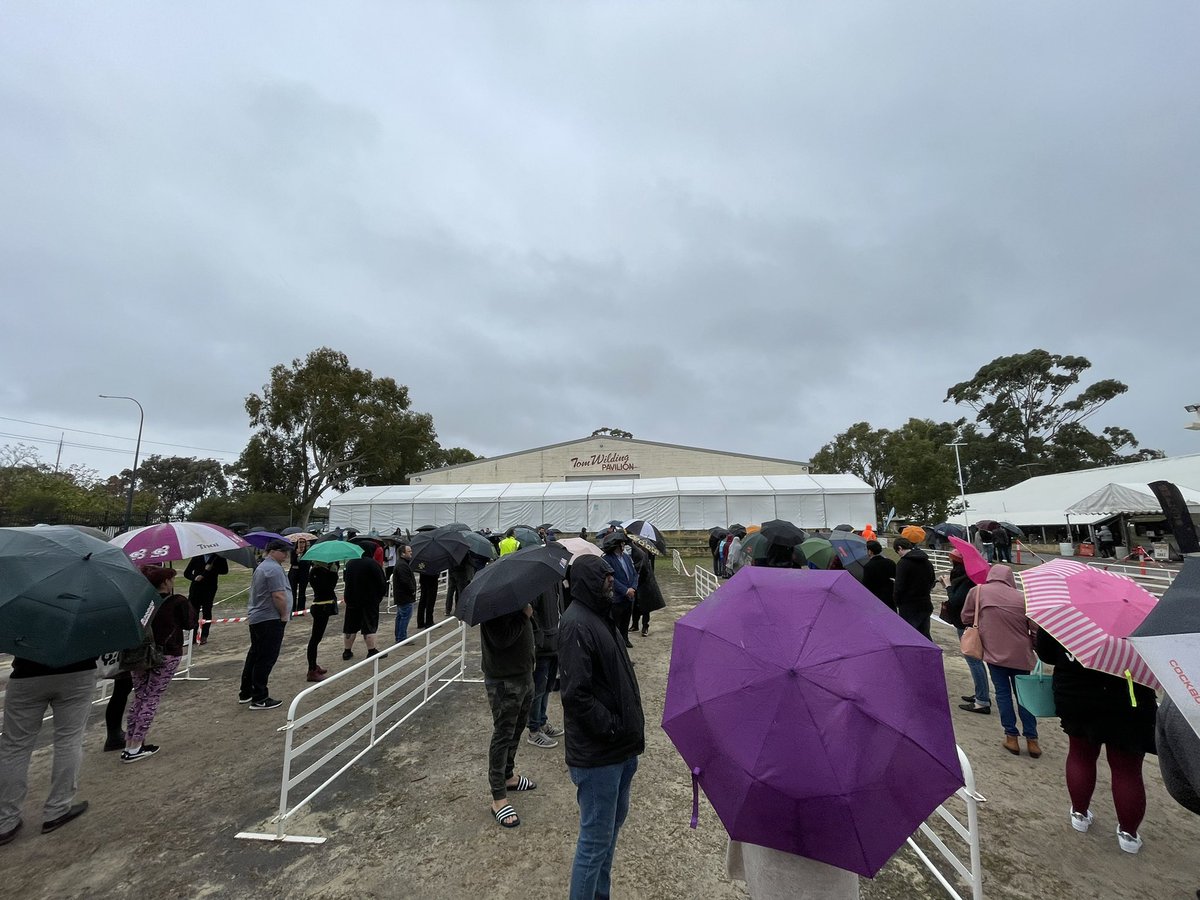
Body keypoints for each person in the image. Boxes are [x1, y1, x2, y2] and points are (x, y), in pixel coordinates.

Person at [559, 553, 645, 900]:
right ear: (586, 583)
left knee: (608, 837)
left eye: (612, 576)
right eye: (604, 577)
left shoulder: (601, 617)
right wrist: (611, 727)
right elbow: (575, 695)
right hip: (599, 757)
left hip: (620, 751)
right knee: (594, 843)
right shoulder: (577, 623)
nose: (611, 582)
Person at [1036, 629, 1156, 854]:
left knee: (1080, 754)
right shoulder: (1141, 616)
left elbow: (1046, 653)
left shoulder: (1069, 611)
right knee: (1127, 769)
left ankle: (1079, 814)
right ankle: (1128, 834)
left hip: (1075, 691)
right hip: (1127, 697)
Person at [0, 650, 96, 843]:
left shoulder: (23, 617)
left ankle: (5, 820)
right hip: (78, 671)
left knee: (14, 747)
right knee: (69, 741)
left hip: (27, 673)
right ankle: (57, 809)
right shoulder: (86, 617)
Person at [960, 564, 1038, 756]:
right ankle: (1032, 739)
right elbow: (1034, 628)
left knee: (1002, 694)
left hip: (995, 651)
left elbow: (966, 617)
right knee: (1024, 697)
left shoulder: (978, 592)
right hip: (1021, 653)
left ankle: (1011, 736)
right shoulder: (1023, 597)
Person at [122, 566, 196, 762]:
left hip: (141, 655)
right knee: (151, 698)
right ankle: (136, 746)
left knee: (139, 697)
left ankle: (131, 741)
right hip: (167, 653)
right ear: (165, 583)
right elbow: (190, 623)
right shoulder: (177, 601)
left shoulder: (140, 602)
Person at [481, 603, 537, 829]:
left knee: (517, 728)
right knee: (503, 734)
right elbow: (501, 640)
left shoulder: (517, 596)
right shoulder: (492, 603)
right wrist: (524, 616)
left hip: (524, 674)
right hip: (504, 680)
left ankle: (508, 775)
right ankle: (498, 797)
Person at [238, 539, 293, 710]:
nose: (286, 556)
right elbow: (278, 595)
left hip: (260, 618)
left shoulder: (263, 566)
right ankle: (260, 697)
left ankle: (246, 692)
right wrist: (284, 614)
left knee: (255, 655)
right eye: (284, 552)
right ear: (273, 551)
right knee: (266, 658)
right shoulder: (273, 569)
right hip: (270, 618)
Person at [938, 550, 991, 715]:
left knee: (974, 661)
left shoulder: (966, 580)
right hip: (967, 623)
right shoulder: (967, 578)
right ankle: (980, 694)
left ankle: (982, 701)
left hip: (966, 624)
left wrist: (947, 586)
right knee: (975, 661)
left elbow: (956, 601)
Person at [527, 583, 564, 749]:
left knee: (548, 686)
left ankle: (542, 721)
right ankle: (534, 730)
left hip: (555, 641)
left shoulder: (555, 580)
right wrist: (539, 637)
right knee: (539, 688)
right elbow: (530, 612)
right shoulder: (537, 582)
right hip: (543, 645)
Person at [341, 553, 387, 660]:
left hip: (352, 599)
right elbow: (382, 582)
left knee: (350, 626)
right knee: (369, 626)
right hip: (369, 600)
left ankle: (347, 651)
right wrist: (379, 596)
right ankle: (371, 651)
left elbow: (345, 579)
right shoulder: (373, 563)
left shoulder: (350, 563)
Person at [892, 538, 935, 638]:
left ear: (900, 548)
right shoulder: (927, 562)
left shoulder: (903, 563)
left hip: (908, 606)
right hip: (925, 602)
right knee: (925, 635)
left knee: (909, 636)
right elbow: (932, 581)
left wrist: (896, 601)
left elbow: (899, 586)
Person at [602, 533, 638, 649]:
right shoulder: (607, 559)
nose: (624, 545)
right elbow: (611, 579)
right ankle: (617, 644)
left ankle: (625, 639)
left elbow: (634, 574)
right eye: (622, 543)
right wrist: (625, 590)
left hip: (629, 596)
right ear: (616, 545)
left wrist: (633, 587)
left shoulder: (627, 557)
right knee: (616, 623)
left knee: (626, 621)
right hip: (617, 598)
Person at [183, 552, 227, 645]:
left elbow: (225, 570)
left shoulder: (218, 557)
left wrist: (213, 568)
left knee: (207, 611)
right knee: (193, 612)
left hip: (210, 589)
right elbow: (187, 573)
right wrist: (194, 578)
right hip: (196, 589)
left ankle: (204, 635)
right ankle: (193, 636)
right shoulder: (197, 556)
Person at [305, 562, 339, 682]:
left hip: (324, 605)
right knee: (315, 639)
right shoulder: (316, 572)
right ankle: (312, 669)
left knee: (317, 639)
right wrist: (333, 573)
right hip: (320, 607)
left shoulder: (321, 571)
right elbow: (328, 588)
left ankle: (314, 665)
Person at [630, 542, 666, 636]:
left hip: (645, 582)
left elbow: (646, 568)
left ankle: (645, 627)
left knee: (645, 606)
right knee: (635, 605)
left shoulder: (645, 551)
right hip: (637, 582)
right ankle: (635, 624)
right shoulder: (635, 550)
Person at [861, 540, 896, 611]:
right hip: (890, 597)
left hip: (876, 598)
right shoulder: (890, 562)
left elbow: (866, 585)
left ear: (870, 551)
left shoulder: (868, 566)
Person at [392, 543, 416, 642]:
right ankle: (401, 637)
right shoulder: (402, 565)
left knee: (400, 616)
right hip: (404, 596)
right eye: (409, 551)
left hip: (401, 595)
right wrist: (412, 590)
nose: (411, 553)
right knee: (404, 617)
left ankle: (399, 635)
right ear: (402, 553)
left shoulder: (402, 563)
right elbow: (405, 581)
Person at [288, 539, 312, 612]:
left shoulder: (308, 552)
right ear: (297, 543)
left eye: (303, 542)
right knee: (293, 591)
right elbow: (292, 562)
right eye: (300, 542)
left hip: (303, 573)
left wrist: (300, 562)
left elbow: (308, 564)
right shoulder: (293, 551)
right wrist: (297, 554)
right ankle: (292, 608)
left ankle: (301, 609)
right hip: (294, 573)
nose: (302, 544)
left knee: (302, 592)